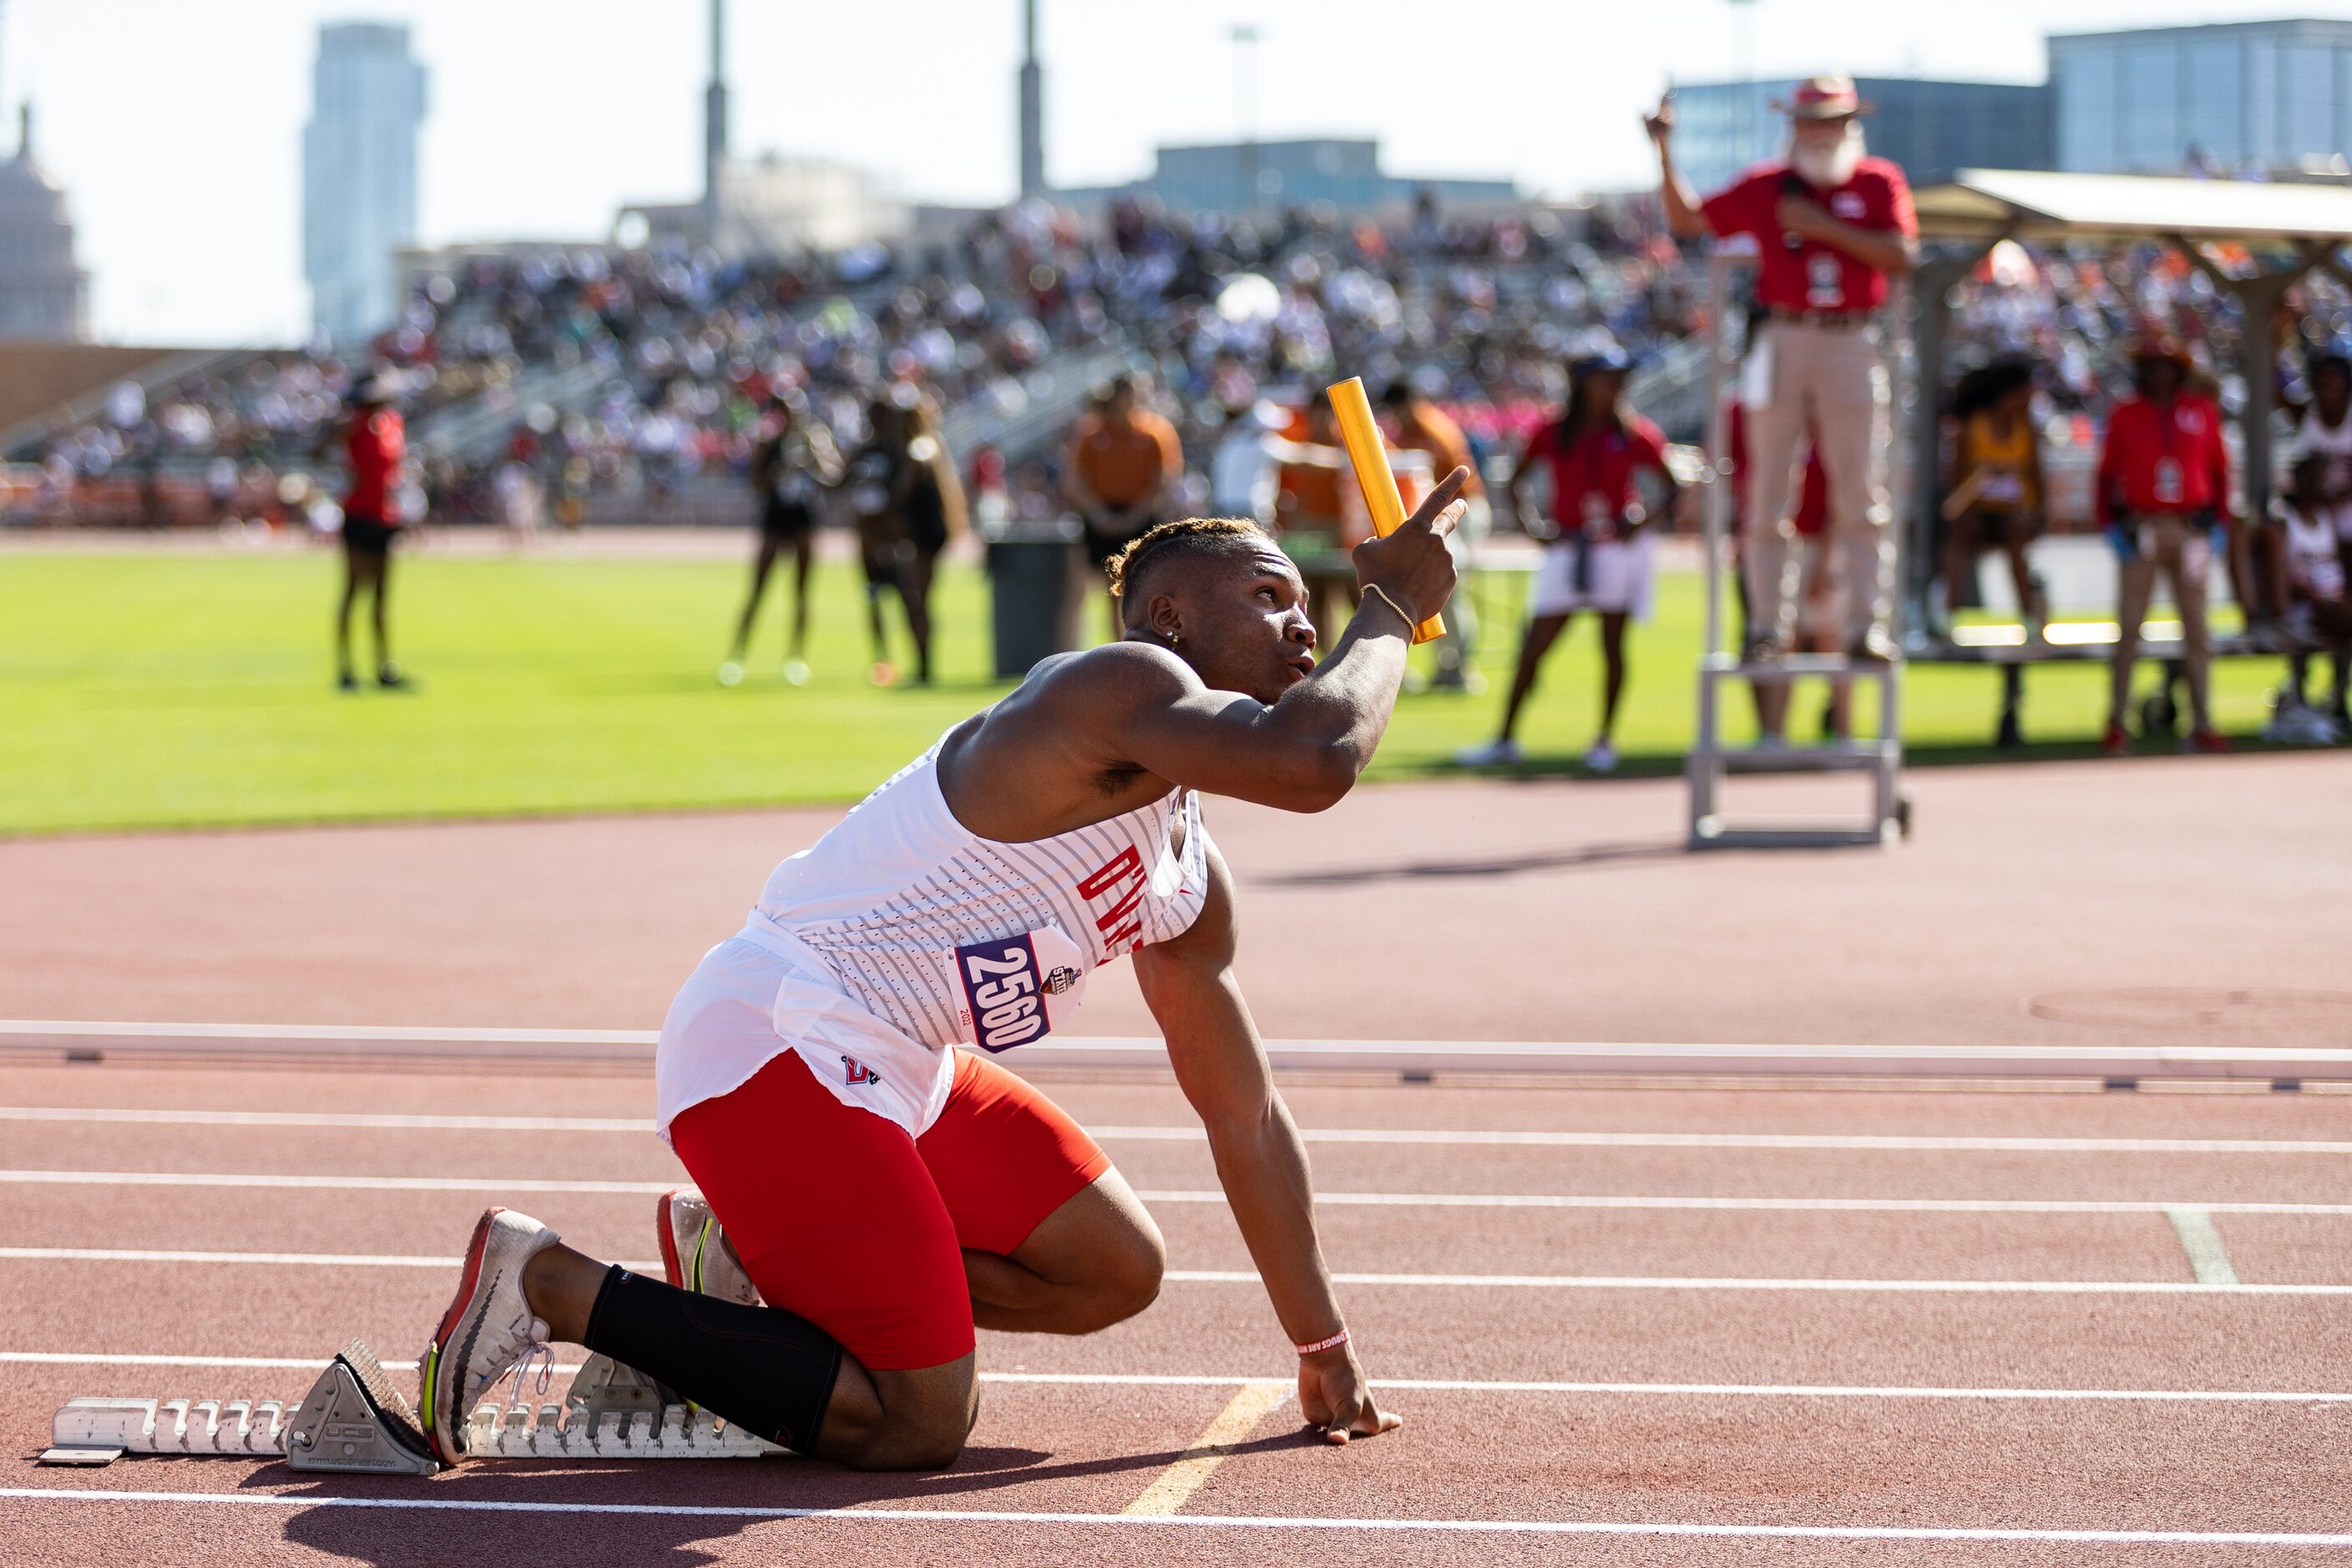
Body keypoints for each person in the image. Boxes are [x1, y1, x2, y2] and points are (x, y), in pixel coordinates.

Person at [415, 470, 1472, 1474]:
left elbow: (1242, 1113)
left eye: (1307, 604)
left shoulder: (1187, 878)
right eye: (1268, 595)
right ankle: (552, 1284)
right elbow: (1314, 759)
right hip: (779, 1034)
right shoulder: (1115, 686)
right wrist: (1384, 605)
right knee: (915, 1425)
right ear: (1170, 622)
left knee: (1114, 1271)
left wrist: (1321, 1341)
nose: (1302, 623)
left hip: (901, 1062)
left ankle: (750, 1266)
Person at [1648, 74, 1916, 662]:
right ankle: (1767, 624)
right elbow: (1689, 219)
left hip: (1849, 336)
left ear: (1850, 125)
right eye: (1810, 120)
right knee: (1768, 490)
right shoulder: (1767, 184)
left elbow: (1901, 255)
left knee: (1861, 494)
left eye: (1831, 120)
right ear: (1792, 126)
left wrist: (1824, 229)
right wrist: (1663, 150)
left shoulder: (1876, 181)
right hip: (1786, 333)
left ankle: (1864, 625)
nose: (1821, 132)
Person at [1457, 348, 1677, 772]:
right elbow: (1516, 480)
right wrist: (1532, 527)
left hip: (1614, 549)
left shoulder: (1634, 432)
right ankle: (1504, 739)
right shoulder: (1555, 431)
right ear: (1582, 383)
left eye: (1619, 378)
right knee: (1534, 646)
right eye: (1605, 377)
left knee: (1612, 645)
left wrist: (1640, 521)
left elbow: (1671, 484)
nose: (1616, 386)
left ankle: (1604, 741)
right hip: (1567, 547)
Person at [2097, 334, 2232, 756]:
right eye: (2150, 365)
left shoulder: (2201, 412)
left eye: (2165, 365)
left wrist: (2219, 524)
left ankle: (2203, 721)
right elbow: (2104, 476)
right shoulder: (2126, 414)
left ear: (2179, 371)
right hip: (2142, 526)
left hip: (2190, 528)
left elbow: (2220, 471)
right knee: (2130, 627)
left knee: (2198, 629)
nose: (2158, 373)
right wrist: (2110, 527)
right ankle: (2117, 721)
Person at [723, 391, 842, 688]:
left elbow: (834, 476)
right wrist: (778, 472)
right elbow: (756, 481)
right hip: (776, 519)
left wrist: (812, 461)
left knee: (802, 592)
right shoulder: (770, 443)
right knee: (758, 588)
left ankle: (796, 657)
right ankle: (737, 655)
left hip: (803, 519)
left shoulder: (815, 439)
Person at [1378, 378, 1488, 690]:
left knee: (1450, 590)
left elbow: (1432, 480)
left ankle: (1461, 668)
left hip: (1461, 510)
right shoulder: (1416, 428)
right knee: (1440, 592)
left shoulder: (1430, 430)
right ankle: (1449, 666)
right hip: (1448, 513)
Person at [1064, 376, 1182, 638]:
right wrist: (1098, 513)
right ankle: (1082, 653)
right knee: (1091, 590)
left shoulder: (1154, 431)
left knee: (1143, 589)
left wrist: (1137, 513)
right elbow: (1075, 479)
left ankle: (1143, 647)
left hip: (1140, 517)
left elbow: (1164, 477)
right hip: (1100, 517)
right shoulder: (1091, 432)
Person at [1941, 357, 2048, 640]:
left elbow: (2037, 476)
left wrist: (2040, 513)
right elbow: (1958, 477)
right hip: (1977, 511)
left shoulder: (2028, 431)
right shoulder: (1973, 428)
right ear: (2010, 394)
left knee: (2016, 541)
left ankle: (2029, 618)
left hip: (2013, 514)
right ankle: (1949, 616)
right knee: (1960, 537)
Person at [333, 370, 411, 692]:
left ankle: (383, 667)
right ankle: (346, 668)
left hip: (384, 517)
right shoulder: (352, 425)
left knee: (381, 596)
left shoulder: (393, 423)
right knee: (353, 592)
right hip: (358, 515)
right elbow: (320, 448)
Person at [2269, 455, 2352, 741]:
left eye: (2323, 477)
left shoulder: (2327, 520)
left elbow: (2338, 569)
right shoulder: (2286, 522)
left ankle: (2338, 697)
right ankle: (2303, 697)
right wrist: (2318, 599)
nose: (2321, 484)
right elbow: (2283, 578)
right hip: (2304, 609)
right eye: (2314, 477)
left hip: (2332, 606)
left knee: (2345, 621)